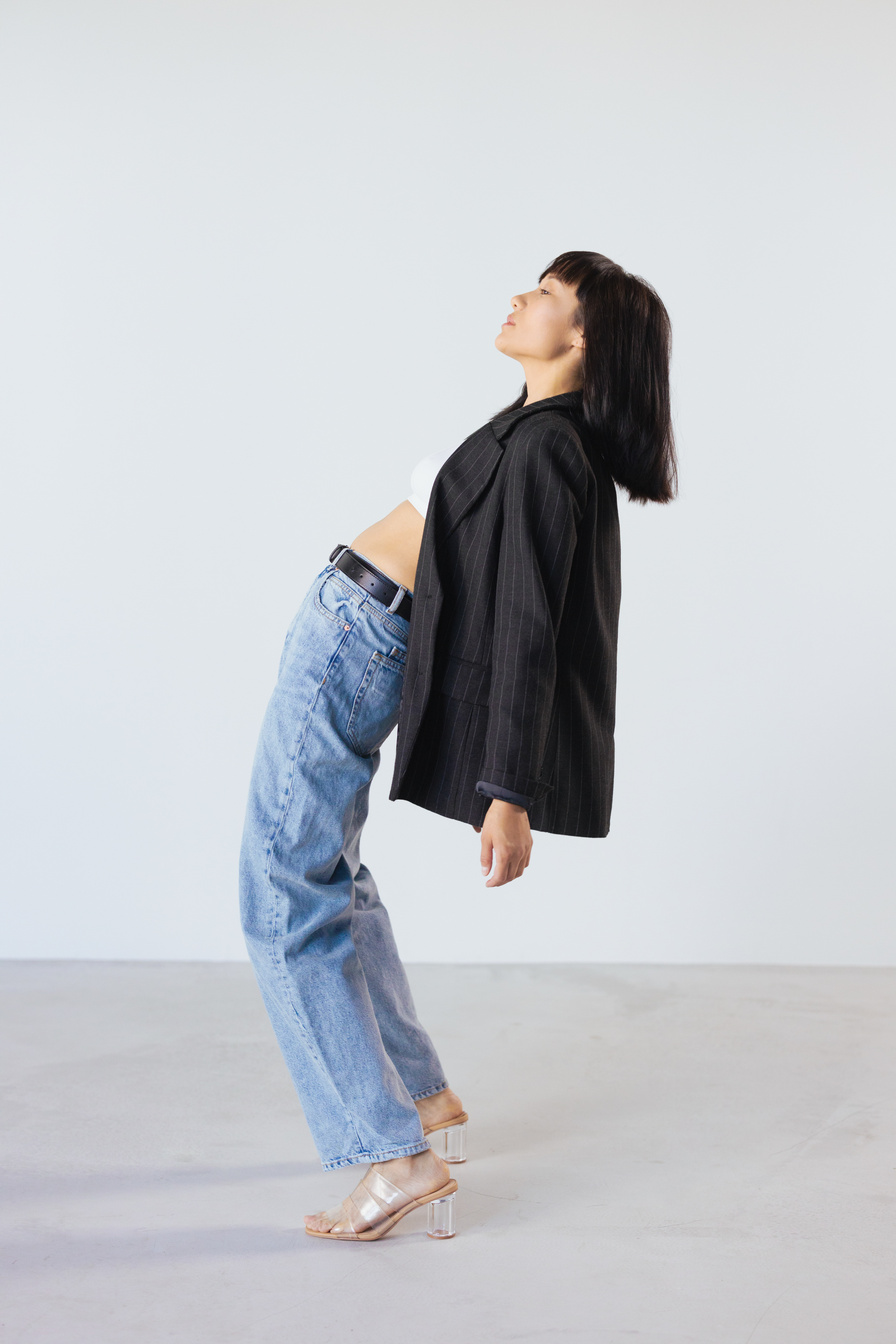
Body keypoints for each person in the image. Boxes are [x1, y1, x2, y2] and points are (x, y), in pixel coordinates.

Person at [238, 250, 678, 1242]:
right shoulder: (533, 430)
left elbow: (529, 624)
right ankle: (423, 1100)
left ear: (584, 337)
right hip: (360, 629)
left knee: (279, 893)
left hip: (356, 634)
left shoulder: (542, 450)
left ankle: (388, 1157)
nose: (520, 295)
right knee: (331, 878)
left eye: (548, 294)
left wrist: (507, 790)